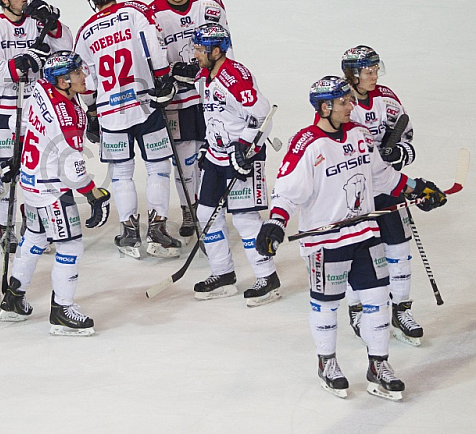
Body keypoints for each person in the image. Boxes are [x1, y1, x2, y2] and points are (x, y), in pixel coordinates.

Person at [255, 76, 446, 400]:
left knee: (376, 302)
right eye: (343, 102)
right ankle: (327, 364)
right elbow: (287, 192)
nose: (350, 106)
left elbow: (382, 177)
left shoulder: (359, 135)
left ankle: (378, 365)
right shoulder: (307, 144)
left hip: (365, 233)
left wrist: (417, 189)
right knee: (327, 306)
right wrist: (275, 222)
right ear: (325, 107)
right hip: (326, 242)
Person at [0, 51, 111, 335]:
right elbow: (73, 171)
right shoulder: (66, 118)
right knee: (70, 246)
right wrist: (93, 193)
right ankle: (62, 310)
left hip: (32, 182)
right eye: (78, 73)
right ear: (62, 80)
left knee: (34, 238)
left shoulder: (39, 89)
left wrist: (19, 157)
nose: (84, 76)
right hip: (53, 190)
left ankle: (14, 298)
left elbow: (16, 125)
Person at [74, 0, 180, 259]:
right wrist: (162, 78)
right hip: (146, 106)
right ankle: (157, 230)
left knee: (121, 174)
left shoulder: (86, 32)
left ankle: (129, 233)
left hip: (110, 113)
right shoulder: (134, 12)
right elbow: (156, 51)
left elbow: (83, 78)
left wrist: (92, 111)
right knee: (158, 167)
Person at [0, 0, 73, 252]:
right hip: (4, 109)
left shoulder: (36, 22)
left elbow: (66, 50)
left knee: (41, 168)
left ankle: (38, 224)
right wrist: (18, 62)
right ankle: (5, 228)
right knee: (6, 171)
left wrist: (52, 26)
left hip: (37, 109)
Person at [189, 23, 280, 306]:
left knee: (244, 219)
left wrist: (244, 148)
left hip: (240, 158)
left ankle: (268, 278)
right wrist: (208, 144)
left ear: (216, 51)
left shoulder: (232, 77)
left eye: (200, 49)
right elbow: (217, 116)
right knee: (205, 214)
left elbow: (263, 114)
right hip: (216, 157)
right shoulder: (206, 75)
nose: (195, 53)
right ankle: (223, 274)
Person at [339, 46, 422, 346]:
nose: (374, 75)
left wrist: (397, 153)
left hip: (388, 187)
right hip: (355, 194)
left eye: (376, 69)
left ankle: (400, 309)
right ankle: (357, 308)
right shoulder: (340, 102)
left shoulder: (386, 98)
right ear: (352, 73)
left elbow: (408, 137)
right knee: (357, 253)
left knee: (398, 250)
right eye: (367, 71)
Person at [149, 0, 231, 238]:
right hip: (177, 99)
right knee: (183, 158)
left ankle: (211, 204)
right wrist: (171, 73)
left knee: (211, 154)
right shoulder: (155, 13)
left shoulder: (209, 4)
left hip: (209, 93)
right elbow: (155, 57)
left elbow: (225, 47)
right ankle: (188, 207)